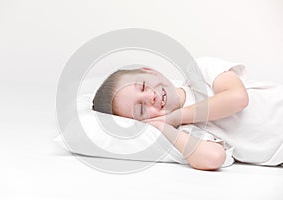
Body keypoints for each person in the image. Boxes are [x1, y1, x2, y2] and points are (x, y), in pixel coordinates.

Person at [92, 57, 283, 171]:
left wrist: (177, 116)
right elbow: (213, 157)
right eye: (141, 109)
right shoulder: (187, 131)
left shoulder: (198, 72)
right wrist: (163, 127)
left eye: (143, 85)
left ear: (150, 71)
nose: (150, 96)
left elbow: (238, 98)